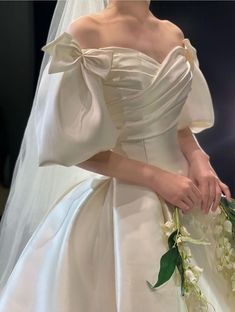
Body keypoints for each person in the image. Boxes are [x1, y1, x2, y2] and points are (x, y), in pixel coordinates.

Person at [0, 0, 233, 311]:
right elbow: (71, 148)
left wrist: (200, 160)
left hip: (188, 194)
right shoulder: (86, 33)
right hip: (125, 200)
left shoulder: (172, 33)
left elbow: (178, 126)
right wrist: (156, 178)